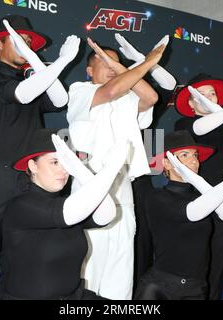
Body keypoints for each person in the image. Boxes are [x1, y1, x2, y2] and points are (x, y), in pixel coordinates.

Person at [0, 14, 80, 299]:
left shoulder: (35, 79)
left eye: (29, 42)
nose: (26, 46)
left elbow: (60, 100)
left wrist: (40, 65)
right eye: (19, 41)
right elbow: (23, 95)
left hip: (30, 183)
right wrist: (61, 62)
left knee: (24, 265)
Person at [66, 36, 170, 300]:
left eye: (116, 62)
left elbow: (151, 96)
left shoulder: (127, 99)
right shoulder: (80, 91)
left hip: (123, 191)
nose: (112, 65)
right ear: (89, 70)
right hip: (91, 186)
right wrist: (147, 63)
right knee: (91, 271)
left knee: (120, 273)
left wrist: (126, 66)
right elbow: (110, 90)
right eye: (104, 60)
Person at [0, 129, 130, 300]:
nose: (63, 170)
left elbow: (107, 214)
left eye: (67, 163)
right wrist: (110, 169)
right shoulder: (21, 205)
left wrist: (80, 170)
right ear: (32, 166)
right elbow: (70, 212)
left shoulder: (69, 204)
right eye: (55, 162)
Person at [135, 130, 223, 300]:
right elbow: (193, 213)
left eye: (195, 155)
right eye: (185, 155)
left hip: (196, 289)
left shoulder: (204, 198)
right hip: (161, 289)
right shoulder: (157, 197)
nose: (194, 160)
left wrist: (197, 180)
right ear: (166, 163)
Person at [173, 74, 223, 299]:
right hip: (192, 200)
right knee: (193, 262)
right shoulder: (184, 124)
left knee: (218, 260)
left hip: (221, 201)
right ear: (191, 103)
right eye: (202, 95)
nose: (210, 98)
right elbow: (200, 129)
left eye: (212, 94)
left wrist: (222, 111)